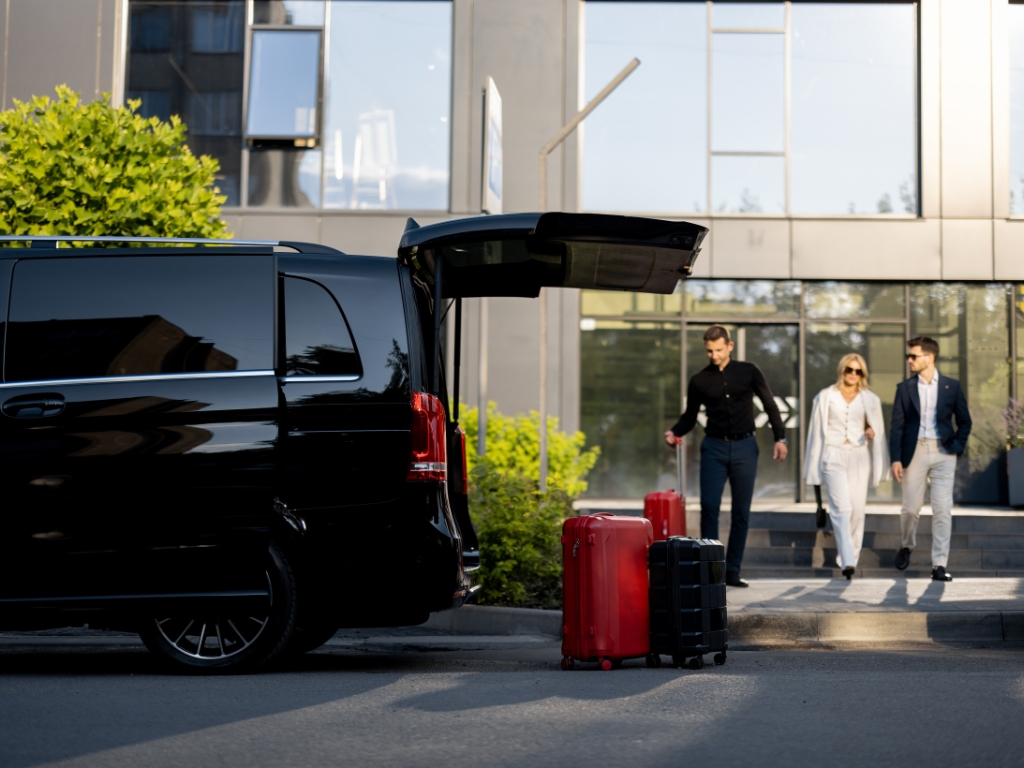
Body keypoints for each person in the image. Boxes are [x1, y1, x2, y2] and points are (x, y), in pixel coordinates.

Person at [664, 325, 787, 588]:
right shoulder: (699, 380)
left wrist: (780, 437)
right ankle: (711, 572)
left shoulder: (749, 371)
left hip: (745, 447)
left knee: (741, 512)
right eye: (709, 351)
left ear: (729, 346)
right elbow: (689, 416)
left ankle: (732, 571)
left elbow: (769, 403)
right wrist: (674, 432)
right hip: (714, 448)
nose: (714, 355)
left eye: (719, 350)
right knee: (709, 508)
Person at [890, 336, 972, 581]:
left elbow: (965, 421)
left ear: (930, 357)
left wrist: (956, 446)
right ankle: (907, 545)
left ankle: (939, 565)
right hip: (913, 452)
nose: (910, 360)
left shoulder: (951, 386)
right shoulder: (904, 388)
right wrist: (895, 459)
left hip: (943, 453)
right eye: (909, 356)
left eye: (914, 356)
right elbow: (897, 427)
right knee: (910, 509)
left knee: (942, 510)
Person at [803, 354, 890, 580]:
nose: (853, 374)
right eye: (849, 370)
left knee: (857, 510)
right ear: (842, 370)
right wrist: (812, 465)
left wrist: (871, 432)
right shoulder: (825, 396)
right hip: (832, 454)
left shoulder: (870, 399)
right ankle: (848, 560)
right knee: (841, 508)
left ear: (863, 374)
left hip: (859, 455)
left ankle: (850, 556)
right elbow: (815, 433)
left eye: (858, 371)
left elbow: (876, 430)